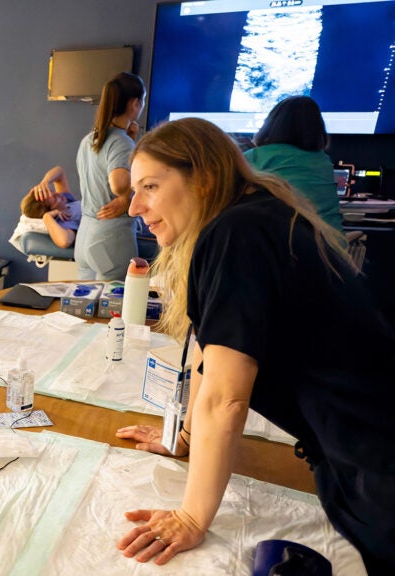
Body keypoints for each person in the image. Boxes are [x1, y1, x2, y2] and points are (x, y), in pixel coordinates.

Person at [115, 117, 395, 574]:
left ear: (202, 178)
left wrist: (190, 516)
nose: (134, 207)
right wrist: (182, 437)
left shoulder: (236, 234)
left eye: (149, 186)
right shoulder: (250, 216)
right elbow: (213, 355)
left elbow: (226, 398)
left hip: (377, 460)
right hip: (360, 449)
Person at [36, 72, 145, 280]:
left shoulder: (89, 140)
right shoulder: (121, 142)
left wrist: (131, 141)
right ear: (134, 103)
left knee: (85, 306)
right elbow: (118, 184)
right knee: (113, 308)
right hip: (110, 239)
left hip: (87, 235)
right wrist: (126, 198)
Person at [244, 95, 343, 232]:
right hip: (332, 246)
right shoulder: (323, 161)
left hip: (282, 244)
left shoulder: (255, 157)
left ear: (271, 124)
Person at [11, 166, 80, 250]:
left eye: (52, 192)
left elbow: (59, 172)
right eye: (54, 199)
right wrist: (47, 217)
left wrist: (44, 182)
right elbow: (64, 241)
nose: (58, 194)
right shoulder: (65, 220)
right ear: (52, 211)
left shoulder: (65, 203)